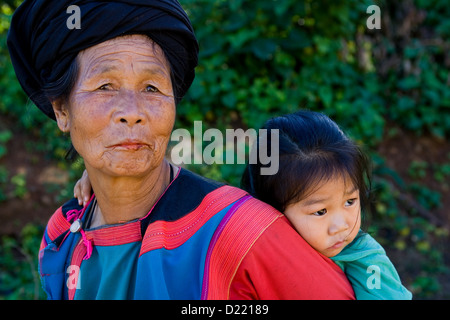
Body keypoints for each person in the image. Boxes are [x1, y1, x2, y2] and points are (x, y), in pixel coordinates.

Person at [7, 1, 354, 300]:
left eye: (152, 87)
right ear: (62, 112)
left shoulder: (239, 230)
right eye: (105, 86)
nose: (132, 111)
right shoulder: (62, 237)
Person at [240, 110, 412, 299]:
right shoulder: (251, 248)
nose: (341, 226)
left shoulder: (366, 262)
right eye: (321, 211)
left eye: (350, 201)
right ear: (270, 208)